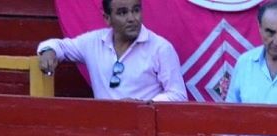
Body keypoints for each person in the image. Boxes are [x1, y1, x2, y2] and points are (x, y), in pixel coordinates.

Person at [36, 0, 187, 102]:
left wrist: (144, 104)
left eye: (136, 10)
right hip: (106, 130)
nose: (132, 18)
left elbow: (179, 96)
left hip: (145, 131)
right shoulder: (93, 42)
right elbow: (59, 46)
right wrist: (49, 51)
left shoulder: (161, 48)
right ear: (107, 18)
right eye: (122, 13)